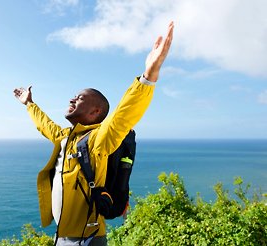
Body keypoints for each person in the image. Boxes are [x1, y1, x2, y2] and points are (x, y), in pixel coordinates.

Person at [14, 21, 174, 246]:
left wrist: (148, 75)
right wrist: (29, 104)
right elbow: (45, 125)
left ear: (95, 111)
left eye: (79, 98)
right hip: (62, 238)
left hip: (87, 240)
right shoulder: (66, 137)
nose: (72, 99)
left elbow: (122, 117)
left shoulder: (98, 139)